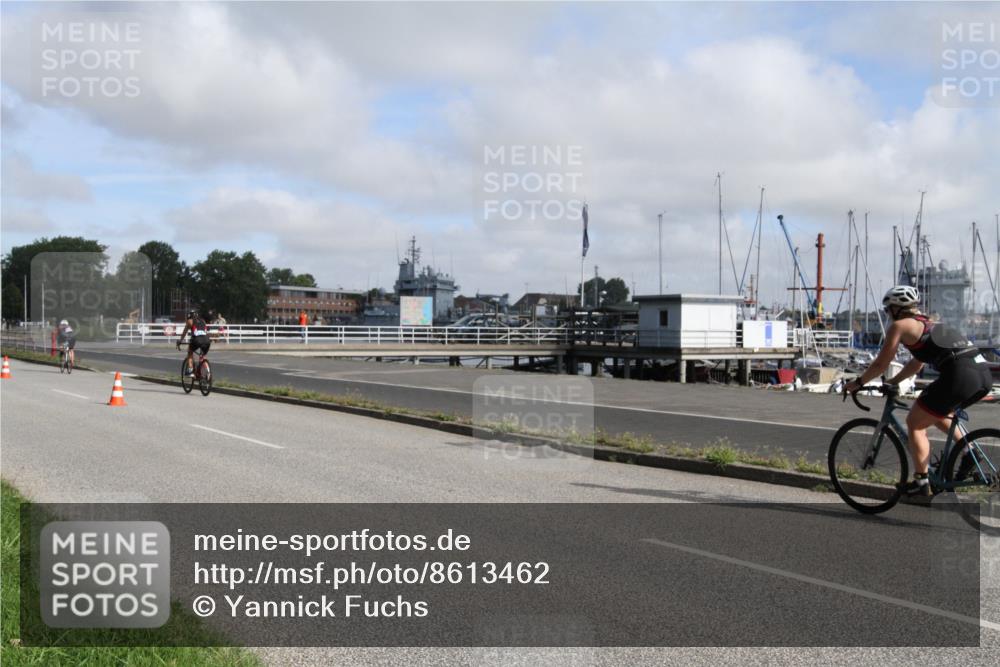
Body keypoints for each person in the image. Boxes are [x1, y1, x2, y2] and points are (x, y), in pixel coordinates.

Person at [844, 285, 992, 497]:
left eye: (888, 310)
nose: (887, 314)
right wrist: (894, 381)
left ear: (896, 308)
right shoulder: (929, 324)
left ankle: (921, 481)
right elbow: (917, 364)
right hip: (982, 374)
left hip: (959, 375)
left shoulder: (900, 326)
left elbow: (880, 364)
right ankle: (970, 451)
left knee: (914, 422)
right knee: (937, 412)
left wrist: (858, 382)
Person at [176, 309, 212, 376]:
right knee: (202, 356)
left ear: (190, 316)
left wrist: (180, 341)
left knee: (190, 351)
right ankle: (208, 372)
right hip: (207, 340)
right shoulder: (203, 321)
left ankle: (190, 370)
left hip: (197, 340)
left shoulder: (190, 321)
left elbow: (184, 332)